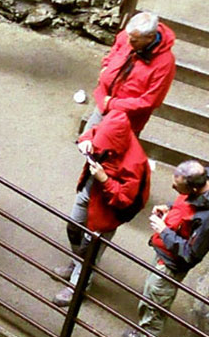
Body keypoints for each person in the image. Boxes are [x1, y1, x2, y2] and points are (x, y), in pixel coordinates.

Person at [115, 160, 209, 337]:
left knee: (155, 305)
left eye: (177, 186)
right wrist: (170, 209)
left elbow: (192, 254)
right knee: (150, 298)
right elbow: (185, 206)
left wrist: (164, 231)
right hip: (164, 253)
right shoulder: (198, 192)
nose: (173, 187)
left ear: (195, 188)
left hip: (171, 264)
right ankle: (144, 335)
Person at [54, 108, 151, 306]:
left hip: (106, 211)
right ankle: (76, 263)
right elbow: (92, 133)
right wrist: (85, 142)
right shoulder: (113, 128)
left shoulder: (135, 163)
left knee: (91, 249)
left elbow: (125, 200)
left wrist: (104, 179)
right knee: (73, 227)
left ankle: (77, 287)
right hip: (90, 190)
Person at [88, 12, 175, 135]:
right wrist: (106, 67)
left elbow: (150, 101)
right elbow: (116, 49)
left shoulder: (164, 64)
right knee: (86, 143)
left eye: (134, 41)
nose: (128, 43)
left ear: (150, 37)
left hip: (126, 121)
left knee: (107, 152)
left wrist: (112, 104)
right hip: (103, 102)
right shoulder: (128, 36)